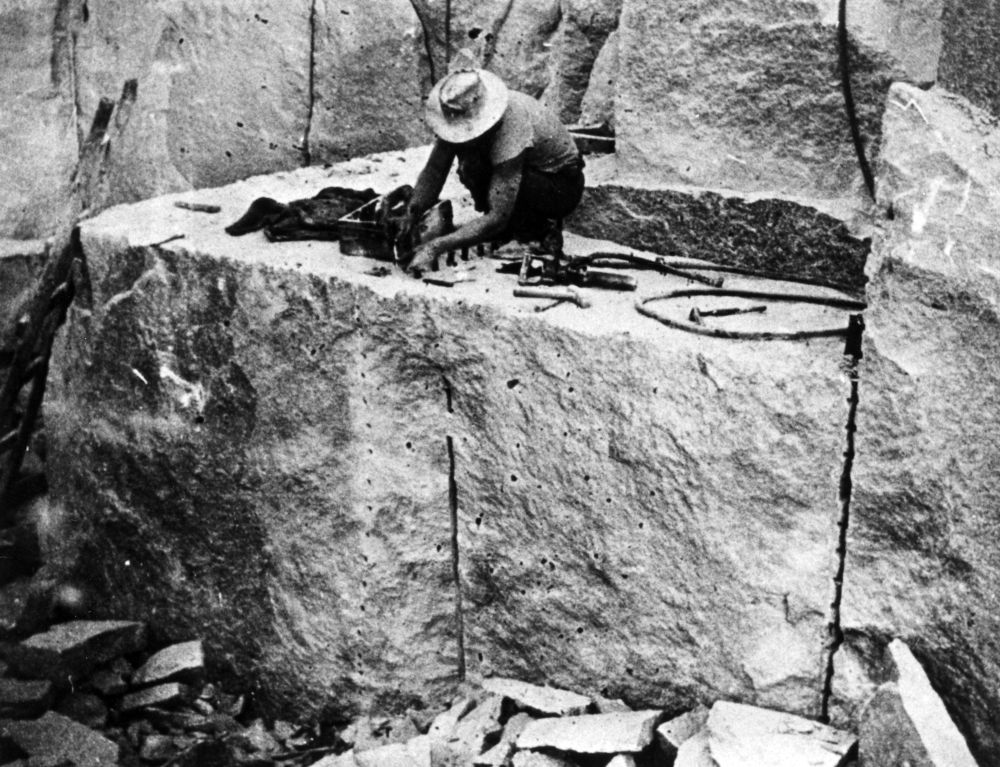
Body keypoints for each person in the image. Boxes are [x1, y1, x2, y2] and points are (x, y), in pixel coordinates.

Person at [399, 51, 585, 273]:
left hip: (559, 186)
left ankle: (537, 234)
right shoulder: (460, 111)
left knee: (495, 191)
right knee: (470, 167)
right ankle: (507, 229)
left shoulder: (511, 125)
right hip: (524, 175)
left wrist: (435, 247)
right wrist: (411, 214)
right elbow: (435, 171)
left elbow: (498, 215)